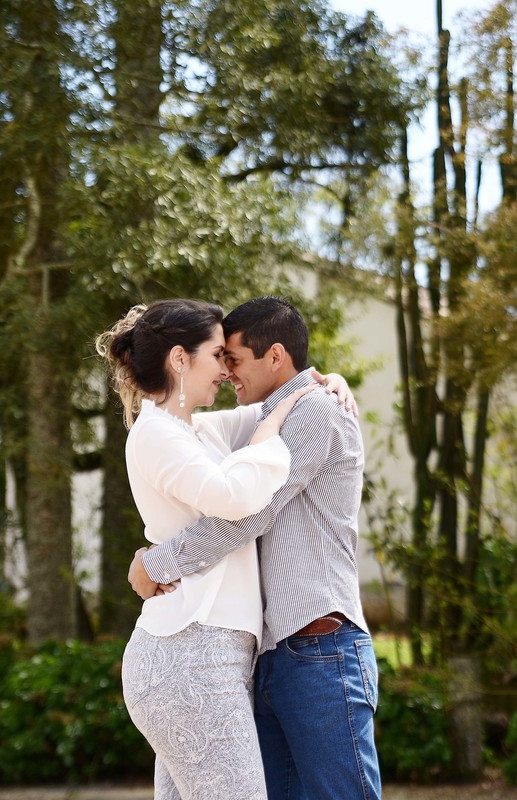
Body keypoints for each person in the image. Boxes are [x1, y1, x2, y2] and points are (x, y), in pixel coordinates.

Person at [95, 298, 355, 800]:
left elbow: (282, 402)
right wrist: (269, 438)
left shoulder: (195, 429)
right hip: (190, 653)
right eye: (218, 356)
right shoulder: (155, 432)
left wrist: (325, 382)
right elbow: (235, 499)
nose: (225, 370)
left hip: (208, 654)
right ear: (178, 359)